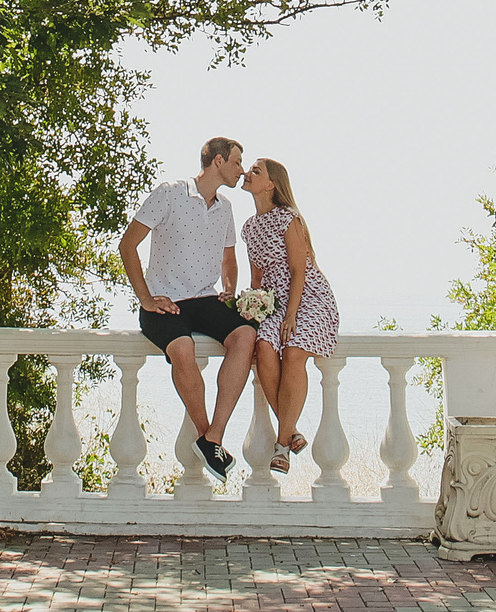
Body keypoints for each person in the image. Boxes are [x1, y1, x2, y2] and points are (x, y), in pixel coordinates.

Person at [119, 137, 257, 480]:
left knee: (245, 335)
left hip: (205, 299)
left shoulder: (225, 207)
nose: (242, 170)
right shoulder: (169, 193)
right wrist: (146, 298)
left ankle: (214, 437)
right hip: (163, 301)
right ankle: (205, 433)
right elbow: (127, 246)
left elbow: (229, 257)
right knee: (184, 348)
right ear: (219, 161)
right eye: (238, 162)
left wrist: (229, 287)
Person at [240, 156, 337, 473]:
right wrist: (252, 311)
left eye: (256, 170)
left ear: (271, 184)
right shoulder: (250, 228)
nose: (247, 173)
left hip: (308, 297)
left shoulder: (288, 218)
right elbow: (256, 277)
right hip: (273, 301)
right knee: (264, 348)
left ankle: (281, 447)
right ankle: (290, 428)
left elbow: (298, 271)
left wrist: (291, 315)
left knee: (293, 351)